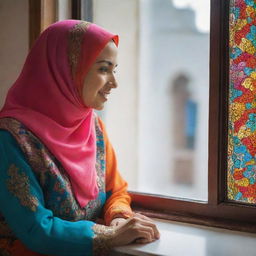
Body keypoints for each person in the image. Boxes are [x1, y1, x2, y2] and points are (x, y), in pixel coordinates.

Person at [0, 20, 159, 256]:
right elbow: (36, 229)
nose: (114, 83)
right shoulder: (10, 139)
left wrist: (118, 217)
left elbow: (116, 190)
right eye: (104, 69)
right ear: (67, 68)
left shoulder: (92, 127)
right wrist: (110, 236)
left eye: (114, 70)